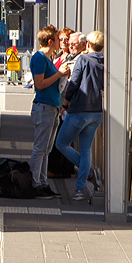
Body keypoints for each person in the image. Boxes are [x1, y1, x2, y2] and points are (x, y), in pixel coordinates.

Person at [55, 29, 105, 203]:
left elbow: (74, 83)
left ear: (88, 44)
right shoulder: (105, 61)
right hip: (96, 112)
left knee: (61, 143)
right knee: (85, 150)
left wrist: (65, 103)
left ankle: (89, 172)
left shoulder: (83, 59)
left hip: (78, 111)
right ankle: (78, 189)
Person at [28, 25, 69, 198]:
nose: (61, 42)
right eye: (59, 39)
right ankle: (35, 183)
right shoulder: (39, 59)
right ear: (51, 41)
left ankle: (43, 182)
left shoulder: (48, 58)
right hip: (43, 107)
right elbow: (39, 84)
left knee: (46, 149)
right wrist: (59, 74)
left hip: (51, 108)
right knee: (40, 148)